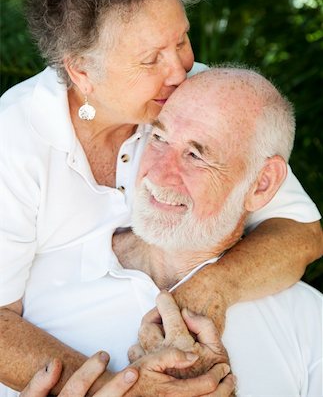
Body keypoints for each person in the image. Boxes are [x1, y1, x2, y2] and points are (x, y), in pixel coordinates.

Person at [0, 0, 321, 394]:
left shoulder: (194, 97)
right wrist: (122, 388)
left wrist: (213, 288)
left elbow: (302, 232)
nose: (181, 70)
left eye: (182, 40)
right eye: (151, 59)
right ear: (82, 72)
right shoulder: (14, 140)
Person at [23, 67, 322, 396]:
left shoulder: (310, 323)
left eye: (195, 155)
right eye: (158, 138)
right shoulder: (31, 290)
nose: (159, 175)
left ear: (261, 184)